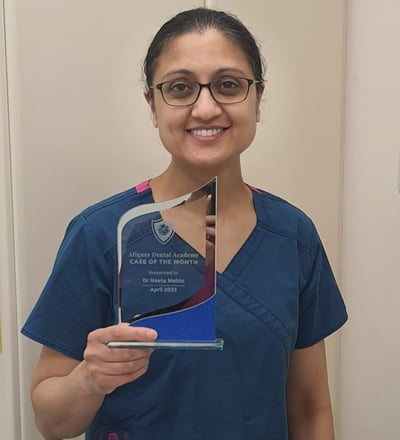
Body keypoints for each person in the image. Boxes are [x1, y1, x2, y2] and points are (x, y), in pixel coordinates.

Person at [22, 7, 347, 440]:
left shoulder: (293, 237)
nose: (206, 107)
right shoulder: (100, 235)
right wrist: (89, 379)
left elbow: (309, 410)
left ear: (258, 98)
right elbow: (50, 421)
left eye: (228, 85)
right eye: (180, 88)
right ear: (153, 105)